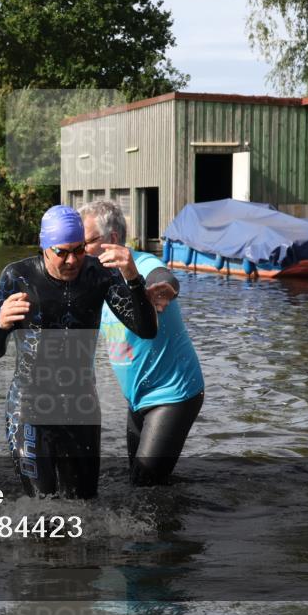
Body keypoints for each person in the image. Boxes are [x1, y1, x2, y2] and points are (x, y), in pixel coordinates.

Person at [0, 205, 157, 499]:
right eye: (62, 252)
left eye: (78, 250)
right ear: (44, 247)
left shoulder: (98, 275)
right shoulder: (17, 277)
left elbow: (147, 329)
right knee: (42, 507)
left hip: (81, 405)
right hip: (29, 405)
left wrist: (132, 276)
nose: (72, 260)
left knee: (85, 508)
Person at [79, 201, 205, 486]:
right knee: (139, 483)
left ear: (111, 240)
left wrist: (166, 288)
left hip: (172, 394)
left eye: (84, 243)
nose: (78, 251)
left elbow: (164, 276)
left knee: (146, 482)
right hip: (136, 399)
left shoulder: (144, 265)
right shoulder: (96, 278)